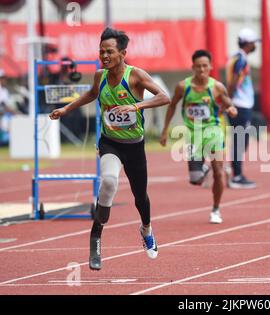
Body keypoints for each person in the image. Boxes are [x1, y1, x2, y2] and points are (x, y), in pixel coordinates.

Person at [49, 27, 170, 270]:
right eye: (101, 51)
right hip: (110, 143)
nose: (104, 56)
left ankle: (146, 228)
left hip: (134, 146)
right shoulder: (99, 76)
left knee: (140, 198)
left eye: (110, 52)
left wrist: (136, 107)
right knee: (109, 182)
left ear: (123, 53)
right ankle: (96, 234)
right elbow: (92, 95)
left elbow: (164, 97)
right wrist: (65, 109)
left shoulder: (135, 76)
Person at [160, 49, 237, 224]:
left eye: (205, 66)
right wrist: (165, 130)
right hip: (192, 133)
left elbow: (228, 103)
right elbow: (172, 106)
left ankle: (216, 209)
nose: (201, 70)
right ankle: (203, 170)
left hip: (213, 130)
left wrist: (231, 109)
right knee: (195, 180)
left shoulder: (216, 87)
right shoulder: (183, 86)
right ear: (192, 67)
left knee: (218, 172)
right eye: (198, 66)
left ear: (210, 67)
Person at [225, 28, 259, 189]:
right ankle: (236, 176)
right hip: (239, 105)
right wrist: (228, 101)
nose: (255, 46)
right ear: (247, 43)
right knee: (240, 140)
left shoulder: (236, 57)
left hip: (240, 104)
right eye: (253, 43)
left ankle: (235, 172)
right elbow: (233, 82)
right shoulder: (241, 60)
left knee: (240, 140)